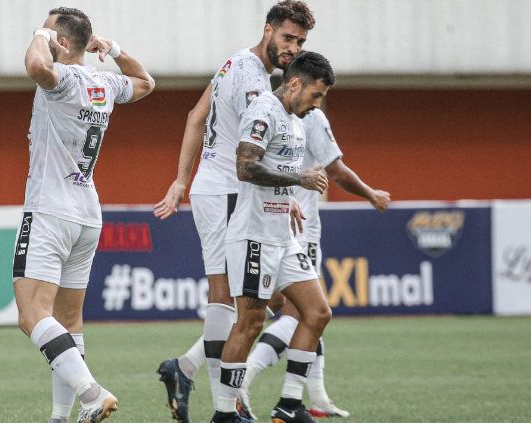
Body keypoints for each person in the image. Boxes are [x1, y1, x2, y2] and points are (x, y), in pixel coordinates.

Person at [152, 2, 330, 422]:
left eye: (300, 42)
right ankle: (226, 405)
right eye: (287, 38)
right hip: (229, 191)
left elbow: (197, 116)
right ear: (268, 29)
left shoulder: (232, 63)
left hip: (239, 192)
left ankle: (192, 372)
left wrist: (182, 178)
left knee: (274, 301)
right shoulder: (256, 82)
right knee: (231, 301)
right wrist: (186, 180)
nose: (292, 48)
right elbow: (253, 150)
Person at [12, 7, 154, 423]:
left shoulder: (65, 80)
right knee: (68, 319)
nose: (43, 33)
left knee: (31, 315)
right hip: (87, 213)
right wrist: (116, 50)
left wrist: (42, 34)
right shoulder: (104, 82)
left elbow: (37, 63)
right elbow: (146, 82)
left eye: (51, 29)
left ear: (64, 42)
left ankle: (91, 392)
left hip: (50, 209)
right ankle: (61, 416)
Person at [236, 109, 391, 419]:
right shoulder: (310, 116)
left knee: (307, 313)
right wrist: (370, 194)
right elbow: (336, 170)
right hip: (296, 228)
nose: (319, 99)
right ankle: (246, 379)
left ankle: (315, 395)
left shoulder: (281, 117)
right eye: (318, 91)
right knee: (300, 313)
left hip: (286, 221)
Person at [211, 51, 335, 423]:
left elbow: (275, 169)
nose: (316, 105)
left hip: (283, 235)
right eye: (315, 95)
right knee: (248, 324)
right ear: (294, 83)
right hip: (253, 238)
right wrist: (298, 181)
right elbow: (246, 167)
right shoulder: (263, 110)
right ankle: (223, 414)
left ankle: (289, 406)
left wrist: (290, 198)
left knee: (317, 313)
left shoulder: (297, 120)